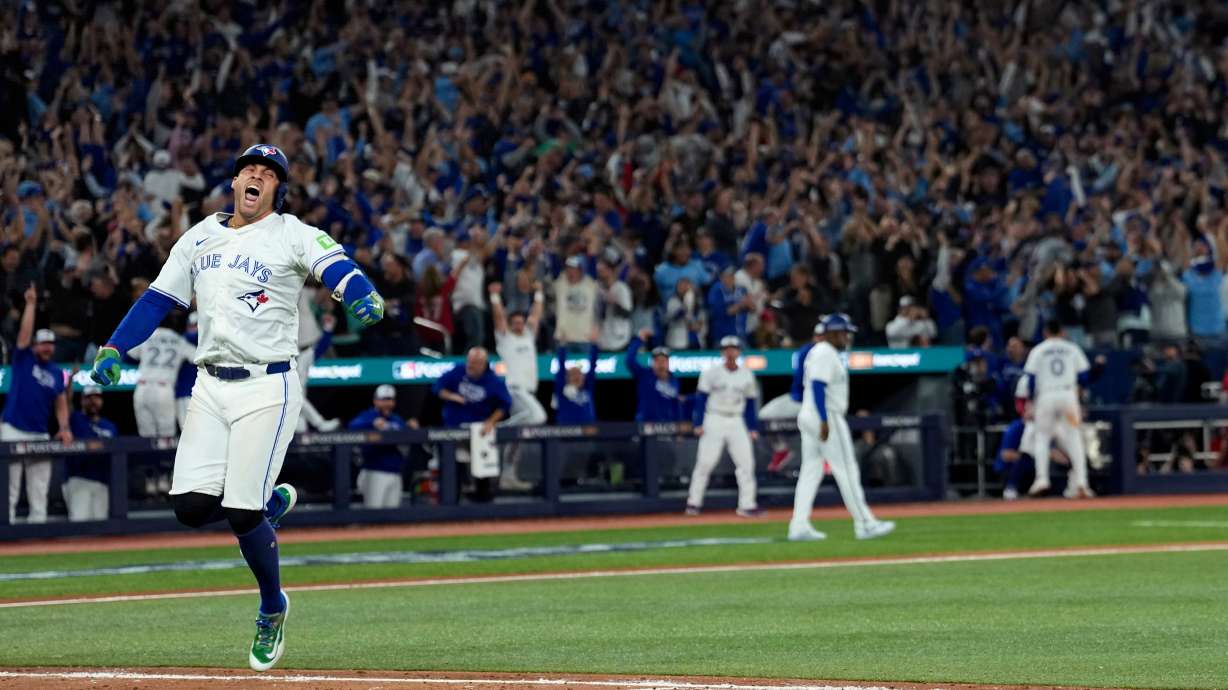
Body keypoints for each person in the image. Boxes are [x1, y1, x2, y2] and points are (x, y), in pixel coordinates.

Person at [89, 143, 385, 672]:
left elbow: (335, 264)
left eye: (268, 173)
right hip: (209, 385)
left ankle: (272, 606)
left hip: (267, 385)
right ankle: (268, 503)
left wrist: (360, 292)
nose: (257, 175)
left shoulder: (290, 230)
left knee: (241, 512)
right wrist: (114, 346)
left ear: (276, 189)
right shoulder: (199, 235)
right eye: (250, 168)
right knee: (191, 509)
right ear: (234, 182)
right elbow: (158, 299)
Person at [790, 313, 895, 541]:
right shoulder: (826, 353)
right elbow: (818, 386)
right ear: (832, 333)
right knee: (846, 469)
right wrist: (824, 420)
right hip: (824, 414)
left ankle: (798, 525)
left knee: (811, 471)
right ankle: (865, 523)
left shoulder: (818, 352)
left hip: (810, 414)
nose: (847, 337)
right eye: (844, 333)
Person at [5, 285, 72, 524]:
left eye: (50, 344)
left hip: (40, 434)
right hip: (13, 429)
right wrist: (31, 304)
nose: (47, 348)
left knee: (39, 489)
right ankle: (6, 533)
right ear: (35, 345)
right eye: (43, 344)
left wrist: (64, 427)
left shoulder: (56, 373)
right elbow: (23, 336)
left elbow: (61, 402)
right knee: (8, 489)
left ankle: (38, 537)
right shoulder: (23, 358)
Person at [686, 336, 761, 518]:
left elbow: (750, 404)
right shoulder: (711, 372)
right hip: (714, 418)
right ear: (722, 352)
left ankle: (747, 505)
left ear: (739, 351)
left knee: (746, 464)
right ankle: (693, 503)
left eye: (734, 348)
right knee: (705, 463)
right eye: (727, 348)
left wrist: (752, 427)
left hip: (736, 419)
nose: (730, 352)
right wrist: (698, 423)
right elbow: (700, 399)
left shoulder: (746, 374)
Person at [432, 347, 513, 501]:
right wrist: (451, 396)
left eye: (475, 363)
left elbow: (505, 404)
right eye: (469, 362)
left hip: (478, 430)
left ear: (484, 364)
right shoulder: (458, 370)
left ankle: (483, 506)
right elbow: (437, 388)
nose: (470, 366)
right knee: (452, 467)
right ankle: (451, 504)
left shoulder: (493, 381)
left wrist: (491, 421)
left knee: (483, 469)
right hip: (453, 429)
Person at [1022, 319, 1091, 498]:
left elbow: (1030, 378)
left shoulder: (1038, 349)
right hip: (1068, 395)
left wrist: (1031, 400)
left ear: (1046, 332)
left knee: (1042, 438)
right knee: (1074, 438)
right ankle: (1082, 482)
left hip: (1046, 395)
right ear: (1061, 331)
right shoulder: (1072, 348)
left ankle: (1042, 479)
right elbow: (1084, 376)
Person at [490, 280, 547, 490]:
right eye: (514, 322)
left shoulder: (529, 336)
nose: (518, 325)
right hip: (515, 389)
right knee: (539, 417)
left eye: (520, 322)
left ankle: (508, 475)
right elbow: (498, 320)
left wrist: (539, 294)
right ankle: (499, 430)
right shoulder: (505, 339)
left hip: (529, 392)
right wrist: (495, 298)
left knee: (519, 438)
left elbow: (536, 316)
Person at [763, 321, 824, 473]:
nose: (820, 339)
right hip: (798, 400)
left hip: (819, 403)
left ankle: (827, 458)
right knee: (764, 416)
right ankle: (781, 450)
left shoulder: (832, 355)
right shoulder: (807, 351)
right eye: (818, 336)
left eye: (824, 336)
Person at [348, 385, 412, 509]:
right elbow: (352, 427)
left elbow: (407, 434)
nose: (387, 403)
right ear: (376, 400)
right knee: (373, 512)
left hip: (395, 472)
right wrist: (372, 423)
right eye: (384, 400)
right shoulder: (368, 416)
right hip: (374, 472)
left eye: (390, 400)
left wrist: (410, 427)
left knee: (393, 515)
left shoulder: (396, 419)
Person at [129, 320, 196, 437]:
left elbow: (129, 355)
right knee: (166, 437)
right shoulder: (179, 340)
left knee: (146, 438)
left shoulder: (147, 336)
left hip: (142, 387)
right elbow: (196, 356)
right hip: (163, 388)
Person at [63, 386, 118, 521]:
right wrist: (69, 381)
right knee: (79, 525)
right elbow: (65, 404)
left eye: (97, 398)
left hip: (102, 482)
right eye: (89, 398)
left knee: (102, 528)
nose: (93, 401)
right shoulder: (76, 419)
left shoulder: (109, 426)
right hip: (79, 480)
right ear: (82, 401)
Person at [294, 289, 340, 433]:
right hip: (284, 355)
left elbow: (320, 349)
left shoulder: (306, 354)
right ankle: (319, 423)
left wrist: (328, 329)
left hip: (296, 411)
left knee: (300, 429)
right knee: (293, 394)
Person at [625, 329, 682, 422]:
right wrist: (639, 339)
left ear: (668, 363)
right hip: (644, 426)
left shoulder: (674, 381)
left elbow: (675, 406)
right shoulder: (644, 375)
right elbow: (629, 360)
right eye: (657, 361)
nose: (660, 364)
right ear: (652, 363)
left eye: (663, 361)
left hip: (667, 428)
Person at [553, 333, 598, 424]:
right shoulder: (562, 390)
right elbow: (561, 369)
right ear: (567, 378)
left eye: (580, 374)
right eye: (573, 374)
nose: (577, 377)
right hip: (567, 433)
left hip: (589, 432)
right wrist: (562, 346)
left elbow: (592, 367)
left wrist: (594, 345)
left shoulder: (587, 388)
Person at [554, 255, 598, 344]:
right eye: (568, 268)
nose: (570, 271)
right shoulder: (561, 282)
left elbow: (593, 260)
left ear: (581, 270)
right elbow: (554, 263)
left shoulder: (590, 284)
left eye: (574, 268)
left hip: (585, 338)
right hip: (564, 338)